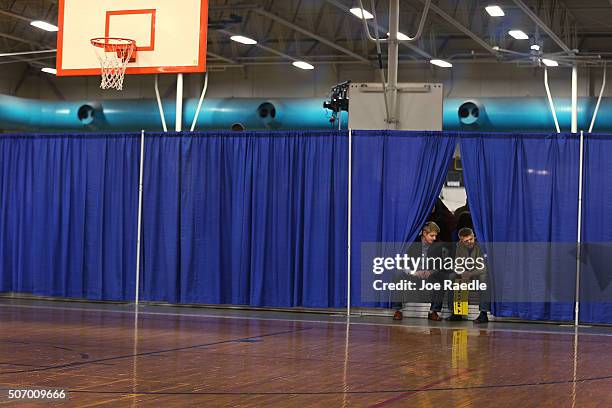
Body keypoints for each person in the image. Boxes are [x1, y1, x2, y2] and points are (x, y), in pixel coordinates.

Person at [392, 221, 447, 321]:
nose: (434, 238)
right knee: (398, 274)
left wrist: (430, 272)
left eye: (435, 236)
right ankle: (398, 310)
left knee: (442, 277)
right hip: (413, 274)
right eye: (432, 235)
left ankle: (433, 312)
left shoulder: (437, 245)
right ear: (424, 233)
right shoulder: (412, 243)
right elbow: (402, 262)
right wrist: (413, 272)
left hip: (428, 275)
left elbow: (440, 265)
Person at [446, 228, 490, 323]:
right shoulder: (459, 246)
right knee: (452, 277)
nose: (469, 242)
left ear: (474, 236)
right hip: (466, 273)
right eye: (466, 241)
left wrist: (470, 274)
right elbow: (456, 264)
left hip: (477, 274)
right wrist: (462, 273)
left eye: (471, 239)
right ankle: (457, 312)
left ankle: (483, 313)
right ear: (461, 241)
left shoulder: (480, 245)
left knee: (484, 278)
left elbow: (484, 268)